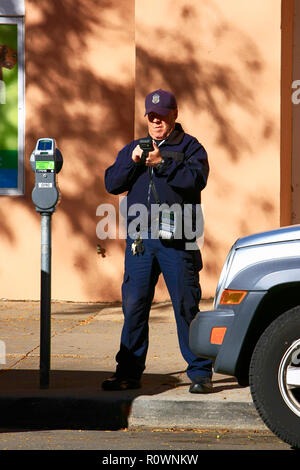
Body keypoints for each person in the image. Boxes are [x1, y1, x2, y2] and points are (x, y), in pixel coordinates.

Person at [103, 89, 212, 393]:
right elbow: (112, 182)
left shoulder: (191, 147)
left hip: (178, 240)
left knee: (185, 305)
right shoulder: (134, 148)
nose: (156, 121)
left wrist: (163, 162)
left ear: (174, 115)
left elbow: (196, 179)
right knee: (134, 306)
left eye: (162, 115)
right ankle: (128, 373)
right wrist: (134, 161)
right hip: (141, 242)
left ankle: (201, 373)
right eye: (151, 116)